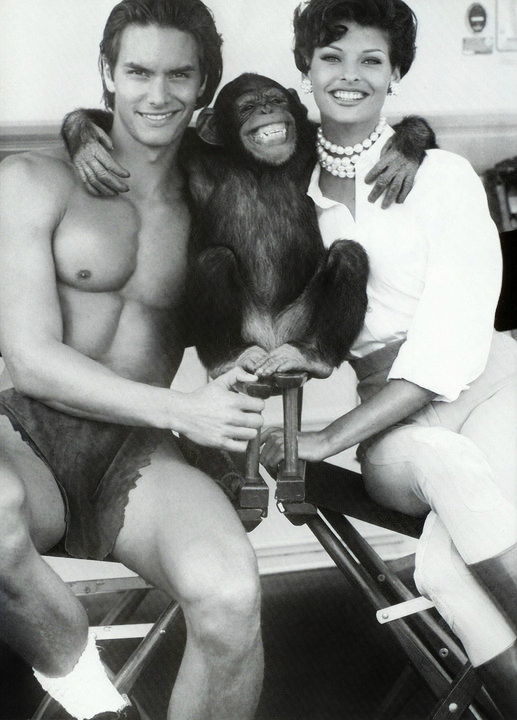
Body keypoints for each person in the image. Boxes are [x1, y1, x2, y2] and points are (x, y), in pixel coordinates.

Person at [0, 1, 268, 719]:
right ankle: (97, 704)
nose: (157, 94)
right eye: (139, 72)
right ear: (108, 74)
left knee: (230, 595)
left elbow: (256, 321)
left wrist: (262, 366)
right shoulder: (31, 180)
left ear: (204, 83)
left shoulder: (219, 209)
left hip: (136, 451)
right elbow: (30, 360)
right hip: (22, 429)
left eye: (179, 75)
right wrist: (184, 409)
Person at [259, 1, 517, 716]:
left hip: (494, 389)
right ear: (305, 69)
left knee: (445, 569)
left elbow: (452, 344)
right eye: (331, 57)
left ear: (395, 72)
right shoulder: (286, 197)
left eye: (371, 59)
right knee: (444, 463)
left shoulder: (441, 176)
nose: (350, 75)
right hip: (395, 430)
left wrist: (327, 440)